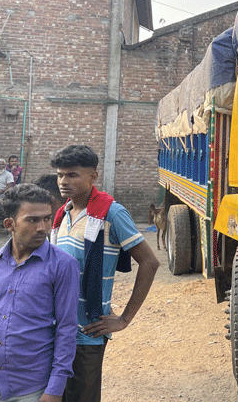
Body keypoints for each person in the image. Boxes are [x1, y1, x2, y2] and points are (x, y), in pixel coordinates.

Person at [50, 145, 159, 402]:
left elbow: (149, 262)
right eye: (60, 175)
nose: (63, 182)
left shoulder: (111, 212)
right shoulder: (61, 214)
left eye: (72, 175)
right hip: (55, 328)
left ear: (93, 177)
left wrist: (124, 318)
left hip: (86, 331)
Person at [0, 184, 80, 402]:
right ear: (9, 224)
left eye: (47, 219)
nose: (43, 227)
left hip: (31, 388)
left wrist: (55, 388)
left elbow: (66, 329)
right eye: (32, 220)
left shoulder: (63, 265)